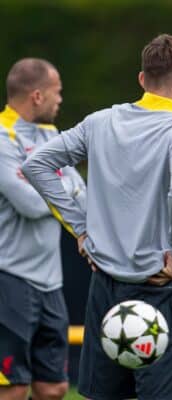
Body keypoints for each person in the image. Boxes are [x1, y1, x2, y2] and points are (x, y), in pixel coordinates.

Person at [22, 34, 172, 399]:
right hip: (159, 287)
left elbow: (37, 164)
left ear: (142, 80)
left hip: (104, 288)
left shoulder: (100, 122)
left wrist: (81, 227)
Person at [0, 58, 86, 400]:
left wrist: (54, 187)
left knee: (54, 388)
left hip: (51, 282)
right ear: (37, 96)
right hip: (9, 278)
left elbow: (85, 194)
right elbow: (31, 204)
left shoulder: (51, 135)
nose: (60, 100)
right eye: (57, 92)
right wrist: (65, 187)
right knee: (12, 388)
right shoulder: (2, 139)